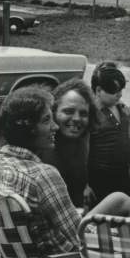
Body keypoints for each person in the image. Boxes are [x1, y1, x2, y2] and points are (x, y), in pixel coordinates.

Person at [0, 86, 130, 258]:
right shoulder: (43, 174)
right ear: (28, 127)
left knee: (117, 200)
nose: (54, 126)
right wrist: (113, 235)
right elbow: (81, 238)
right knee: (122, 206)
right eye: (46, 120)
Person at [39, 78, 94, 208]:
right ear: (53, 112)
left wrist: (87, 185)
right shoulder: (42, 144)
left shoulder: (84, 138)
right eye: (68, 111)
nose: (77, 119)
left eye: (83, 113)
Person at [87, 62, 130, 199]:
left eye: (121, 90)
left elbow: (127, 140)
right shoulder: (90, 114)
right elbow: (83, 151)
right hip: (100, 179)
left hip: (123, 175)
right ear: (98, 90)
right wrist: (85, 184)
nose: (119, 94)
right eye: (113, 91)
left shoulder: (122, 109)